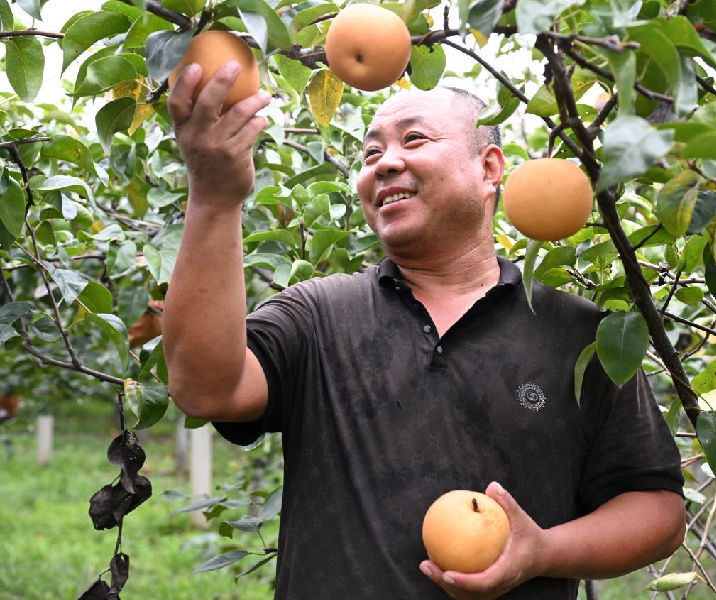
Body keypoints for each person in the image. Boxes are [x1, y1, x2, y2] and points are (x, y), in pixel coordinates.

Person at [163, 59, 686, 600]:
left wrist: (542, 553)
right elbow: (207, 389)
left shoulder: (579, 334)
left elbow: (658, 509)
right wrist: (214, 195)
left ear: (489, 169)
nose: (385, 164)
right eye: (370, 154)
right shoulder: (319, 315)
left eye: (414, 139)